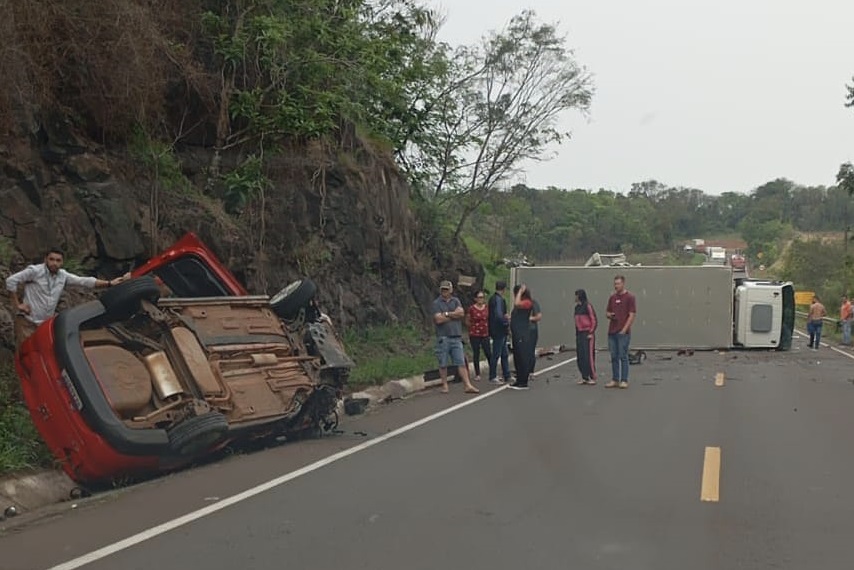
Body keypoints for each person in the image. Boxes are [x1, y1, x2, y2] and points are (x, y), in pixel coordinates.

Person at [6, 248, 129, 347]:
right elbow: (11, 281)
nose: (54, 263)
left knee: (46, 351)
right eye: (51, 259)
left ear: (62, 262)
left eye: (58, 260)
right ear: (45, 260)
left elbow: (84, 281)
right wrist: (17, 304)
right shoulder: (34, 271)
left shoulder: (62, 276)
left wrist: (109, 283)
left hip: (45, 323)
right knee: (26, 351)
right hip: (28, 322)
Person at [431, 280, 480, 395]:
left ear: (451, 290)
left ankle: (467, 385)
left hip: (456, 336)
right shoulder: (437, 303)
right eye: (443, 289)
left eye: (446, 290)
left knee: (461, 362)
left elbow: (461, 313)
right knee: (443, 363)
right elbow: (438, 319)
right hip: (443, 337)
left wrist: (447, 314)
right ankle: (445, 385)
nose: (444, 292)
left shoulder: (456, 301)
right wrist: (453, 315)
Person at [605, 274, 636, 389]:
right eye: (615, 284)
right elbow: (607, 312)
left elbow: (632, 315)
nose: (616, 286)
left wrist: (624, 329)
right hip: (612, 332)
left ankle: (624, 380)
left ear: (623, 283)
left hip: (623, 333)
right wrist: (610, 315)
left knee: (623, 356)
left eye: (618, 284)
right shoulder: (612, 298)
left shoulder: (630, 297)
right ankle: (615, 379)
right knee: (614, 356)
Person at [508, 284, 535, 390]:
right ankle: (519, 379)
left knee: (522, 357)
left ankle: (523, 381)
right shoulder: (521, 305)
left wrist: (520, 291)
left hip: (522, 334)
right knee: (517, 357)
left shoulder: (527, 302)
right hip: (517, 333)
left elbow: (517, 303)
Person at [487, 281, 511, 384]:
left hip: (499, 330)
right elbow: (498, 315)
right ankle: (492, 376)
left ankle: (507, 375)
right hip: (498, 330)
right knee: (496, 353)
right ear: (504, 289)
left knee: (504, 353)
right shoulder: (498, 300)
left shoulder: (495, 299)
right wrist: (506, 322)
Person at [465, 290, 492, 381]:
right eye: (479, 297)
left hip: (485, 333)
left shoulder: (486, 307)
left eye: (483, 297)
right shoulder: (472, 308)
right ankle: (477, 374)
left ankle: (492, 372)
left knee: (488, 352)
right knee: (476, 353)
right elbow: (467, 320)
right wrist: (471, 328)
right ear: (475, 299)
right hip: (475, 333)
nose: (481, 299)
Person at [574, 289, 598, 385]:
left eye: (576, 296)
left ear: (580, 296)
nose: (575, 298)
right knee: (581, 356)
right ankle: (584, 377)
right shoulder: (576, 308)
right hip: (579, 334)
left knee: (588, 356)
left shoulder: (588, 306)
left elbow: (594, 320)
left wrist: (591, 332)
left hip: (587, 333)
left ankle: (592, 376)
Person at [528, 295, 543, 375]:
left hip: (531, 330)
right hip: (521, 330)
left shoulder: (533, 303)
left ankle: (530, 371)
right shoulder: (519, 304)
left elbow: (539, 316)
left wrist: (529, 318)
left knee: (530, 351)